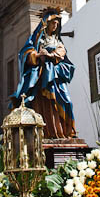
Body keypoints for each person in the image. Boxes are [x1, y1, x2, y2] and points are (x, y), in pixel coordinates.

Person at [11, 7, 76, 139]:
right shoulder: (37, 40)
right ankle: (46, 134)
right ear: (46, 23)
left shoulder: (57, 41)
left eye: (57, 23)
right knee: (43, 106)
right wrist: (37, 55)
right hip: (41, 78)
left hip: (55, 78)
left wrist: (50, 55)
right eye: (53, 22)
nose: (55, 25)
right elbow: (25, 53)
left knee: (67, 102)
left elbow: (61, 54)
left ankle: (66, 131)